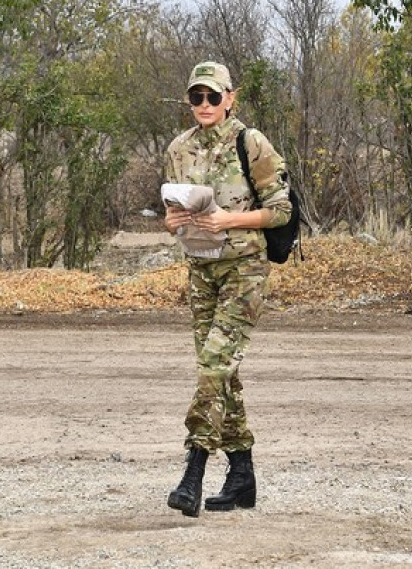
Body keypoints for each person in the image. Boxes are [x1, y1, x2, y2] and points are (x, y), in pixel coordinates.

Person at [162, 60, 292, 518]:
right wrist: (174, 221)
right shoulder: (178, 148)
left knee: (215, 363)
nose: (204, 104)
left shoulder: (250, 143)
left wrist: (229, 219)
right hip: (201, 267)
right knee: (221, 372)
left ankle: (193, 470)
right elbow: (172, 213)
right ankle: (242, 476)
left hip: (244, 269)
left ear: (229, 98)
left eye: (213, 96)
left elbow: (281, 210)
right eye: (196, 96)